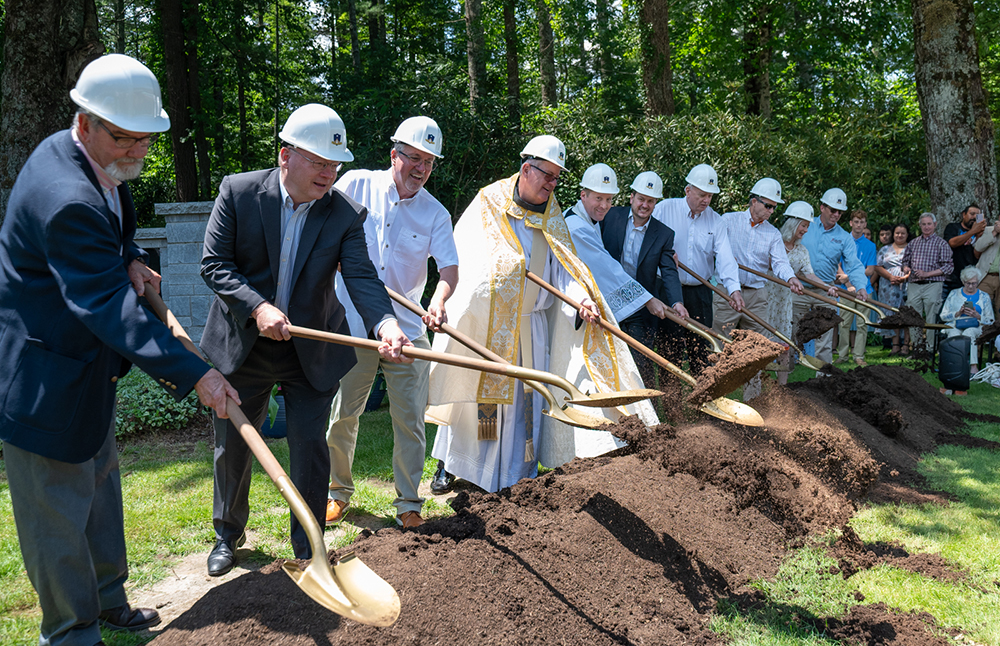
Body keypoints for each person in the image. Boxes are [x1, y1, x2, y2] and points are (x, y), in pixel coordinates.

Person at [0, 54, 237, 646]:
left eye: (146, 139)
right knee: (56, 516)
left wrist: (131, 256)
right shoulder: (66, 197)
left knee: (101, 488)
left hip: (88, 373)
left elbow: (115, 233)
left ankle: (108, 601)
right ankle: (72, 632)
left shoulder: (88, 162)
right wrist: (197, 375)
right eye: (124, 139)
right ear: (86, 123)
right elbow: (111, 311)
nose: (137, 152)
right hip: (43, 384)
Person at [200, 103, 411, 576]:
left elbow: (362, 277)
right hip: (243, 345)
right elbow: (214, 264)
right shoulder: (238, 193)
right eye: (318, 161)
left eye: (334, 164)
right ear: (285, 156)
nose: (328, 173)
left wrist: (386, 325)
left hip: (310, 352)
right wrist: (257, 307)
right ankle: (227, 535)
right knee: (234, 443)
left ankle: (308, 548)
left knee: (311, 448)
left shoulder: (344, 215)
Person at [426, 135, 645, 492]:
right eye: (547, 175)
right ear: (526, 168)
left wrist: (581, 299)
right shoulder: (489, 202)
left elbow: (565, 271)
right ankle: (461, 468)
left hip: (532, 328)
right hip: (489, 323)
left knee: (524, 407)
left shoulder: (551, 213)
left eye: (557, 178)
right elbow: (463, 254)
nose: (551, 184)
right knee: (482, 407)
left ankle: (516, 477)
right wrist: (506, 270)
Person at [324, 117, 459, 526]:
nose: (421, 168)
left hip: (408, 330)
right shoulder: (354, 185)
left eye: (429, 162)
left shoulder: (435, 213)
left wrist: (437, 300)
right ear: (393, 154)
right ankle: (337, 492)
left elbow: (449, 269)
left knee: (411, 422)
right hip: (353, 324)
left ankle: (408, 504)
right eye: (414, 157)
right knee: (344, 415)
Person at [651, 163, 744, 374]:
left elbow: (726, 258)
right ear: (688, 190)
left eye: (710, 196)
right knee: (669, 351)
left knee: (701, 351)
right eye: (702, 194)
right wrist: (662, 251)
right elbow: (646, 239)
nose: (706, 200)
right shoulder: (665, 209)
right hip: (667, 289)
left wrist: (734, 289)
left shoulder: (716, 221)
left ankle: (701, 404)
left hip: (700, 292)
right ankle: (669, 404)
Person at [601, 170, 688, 389]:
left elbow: (669, 271)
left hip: (642, 304)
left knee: (641, 361)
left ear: (655, 203)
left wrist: (677, 302)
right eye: (641, 199)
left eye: (650, 201)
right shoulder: (609, 216)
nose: (644, 205)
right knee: (608, 356)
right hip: (608, 299)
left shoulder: (664, 233)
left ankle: (648, 412)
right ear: (632, 197)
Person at [714, 178, 803, 338]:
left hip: (756, 296)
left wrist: (791, 278)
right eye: (768, 206)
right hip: (726, 292)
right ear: (754, 201)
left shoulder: (773, 233)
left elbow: (780, 262)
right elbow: (713, 247)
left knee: (759, 343)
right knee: (720, 338)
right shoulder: (728, 220)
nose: (771, 211)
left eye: (774, 207)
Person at [767, 202, 838, 384]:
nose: (806, 230)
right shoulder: (773, 242)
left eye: (807, 226)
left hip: (785, 301)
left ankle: (782, 386)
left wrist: (826, 287)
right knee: (765, 341)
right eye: (804, 225)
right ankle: (761, 383)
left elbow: (809, 274)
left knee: (786, 342)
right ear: (793, 223)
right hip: (766, 298)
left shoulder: (801, 251)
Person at [800, 188, 870, 366]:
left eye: (840, 211)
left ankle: (822, 379)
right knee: (792, 333)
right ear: (822, 207)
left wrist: (861, 286)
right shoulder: (805, 226)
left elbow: (854, 265)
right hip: (798, 289)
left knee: (824, 338)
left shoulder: (844, 238)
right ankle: (785, 382)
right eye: (833, 210)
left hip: (826, 290)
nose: (836, 214)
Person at [901, 212, 953, 352]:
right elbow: (905, 261)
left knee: (931, 318)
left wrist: (927, 274)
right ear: (920, 225)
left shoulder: (941, 244)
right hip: (914, 284)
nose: (926, 227)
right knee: (913, 318)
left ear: (935, 225)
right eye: (923, 224)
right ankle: (917, 349)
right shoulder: (913, 243)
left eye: (929, 224)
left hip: (933, 284)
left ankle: (930, 350)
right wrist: (906, 268)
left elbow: (948, 267)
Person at [835, 209, 878, 366]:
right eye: (856, 221)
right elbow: (838, 264)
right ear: (851, 223)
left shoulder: (870, 246)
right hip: (846, 290)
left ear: (865, 224)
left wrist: (850, 278)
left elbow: (870, 269)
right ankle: (842, 355)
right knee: (844, 323)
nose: (859, 225)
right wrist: (847, 283)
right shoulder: (842, 241)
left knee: (862, 323)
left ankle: (859, 355)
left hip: (865, 289)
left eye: (862, 222)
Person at [940, 266, 994, 375]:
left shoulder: (984, 296)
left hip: (976, 326)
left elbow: (991, 320)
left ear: (978, 281)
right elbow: (943, 316)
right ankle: (954, 365)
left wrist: (978, 316)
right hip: (956, 323)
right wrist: (957, 313)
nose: (970, 286)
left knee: (969, 333)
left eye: (974, 283)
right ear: (963, 281)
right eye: (968, 283)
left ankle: (973, 367)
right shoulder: (954, 294)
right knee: (954, 333)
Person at [874, 224, 912, 355]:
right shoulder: (885, 249)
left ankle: (906, 346)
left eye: (902, 233)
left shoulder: (912, 248)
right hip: (888, 286)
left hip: (906, 285)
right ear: (893, 234)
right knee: (893, 314)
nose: (899, 235)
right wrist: (891, 276)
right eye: (897, 233)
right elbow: (877, 267)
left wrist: (904, 278)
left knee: (906, 314)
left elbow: (917, 266)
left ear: (907, 234)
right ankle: (895, 345)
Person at [944, 204, 986, 293]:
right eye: (972, 214)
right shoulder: (953, 227)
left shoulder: (982, 233)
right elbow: (952, 243)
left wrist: (978, 236)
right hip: (953, 276)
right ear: (964, 214)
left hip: (972, 278)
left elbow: (978, 254)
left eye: (977, 215)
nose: (974, 217)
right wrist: (973, 231)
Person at [973, 217, 1000, 323]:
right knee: (981, 309)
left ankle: (998, 338)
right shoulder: (988, 230)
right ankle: (982, 338)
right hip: (986, 276)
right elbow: (978, 248)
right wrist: (994, 232)